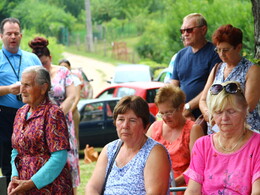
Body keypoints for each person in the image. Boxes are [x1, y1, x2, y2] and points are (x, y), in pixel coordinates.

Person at [184, 81, 260, 194]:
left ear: (245, 110)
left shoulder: (257, 144)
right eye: (218, 112)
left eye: (231, 111)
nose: (224, 118)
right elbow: (192, 191)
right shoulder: (202, 145)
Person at [85, 95, 171, 195]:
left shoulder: (155, 152)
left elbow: (156, 193)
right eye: (121, 119)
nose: (125, 126)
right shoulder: (110, 149)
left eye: (132, 120)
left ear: (145, 126)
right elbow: (92, 186)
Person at [7, 66, 73, 194]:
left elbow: (59, 157)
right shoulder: (20, 113)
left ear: (43, 88)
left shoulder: (53, 113)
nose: (22, 90)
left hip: (50, 187)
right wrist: (14, 178)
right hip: (23, 186)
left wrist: (32, 182)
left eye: (28, 85)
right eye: (22, 84)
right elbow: (15, 151)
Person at [28, 37, 80, 194]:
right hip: (41, 126)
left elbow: (71, 96)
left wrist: (56, 114)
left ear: (50, 58)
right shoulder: (32, 76)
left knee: (69, 163)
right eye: (39, 64)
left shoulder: (63, 72)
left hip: (63, 124)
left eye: (45, 63)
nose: (42, 67)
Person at [0, 17, 42, 185]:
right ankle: (12, 186)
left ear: (21, 36)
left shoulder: (32, 59)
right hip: (5, 115)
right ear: (1, 36)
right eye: (9, 33)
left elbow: (45, 85)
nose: (13, 37)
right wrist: (9, 89)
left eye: (16, 33)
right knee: (9, 156)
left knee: (33, 154)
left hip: (31, 114)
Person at [199, 24, 260, 132]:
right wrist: (208, 113)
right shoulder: (217, 68)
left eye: (226, 50)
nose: (221, 54)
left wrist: (221, 116)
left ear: (238, 48)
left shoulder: (252, 70)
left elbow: (248, 106)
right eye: (218, 50)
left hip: (242, 132)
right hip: (215, 132)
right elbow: (203, 99)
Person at [146, 85, 204, 191]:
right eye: (161, 113)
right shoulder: (155, 128)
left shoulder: (193, 129)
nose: (165, 118)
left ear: (181, 108)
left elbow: (196, 167)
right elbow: (142, 158)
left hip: (182, 188)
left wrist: (173, 184)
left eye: (169, 112)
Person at [171, 13, 221, 120]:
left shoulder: (215, 53)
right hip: (182, 115)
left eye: (189, 30)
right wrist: (178, 109)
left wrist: (188, 108)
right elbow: (173, 87)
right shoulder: (180, 55)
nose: (185, 34)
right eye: (182, 31)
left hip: (205, 116)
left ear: (203, 30)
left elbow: (213, 87)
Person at [59, 59, 81, 148]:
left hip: (73, 111)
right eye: (61, 66)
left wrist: (70, 111)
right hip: (61, 112)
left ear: (69, 67)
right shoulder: (58, 79)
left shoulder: (74, 79)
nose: (63, 68)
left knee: (74, 135)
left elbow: (77, 97)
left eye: (65, 66)